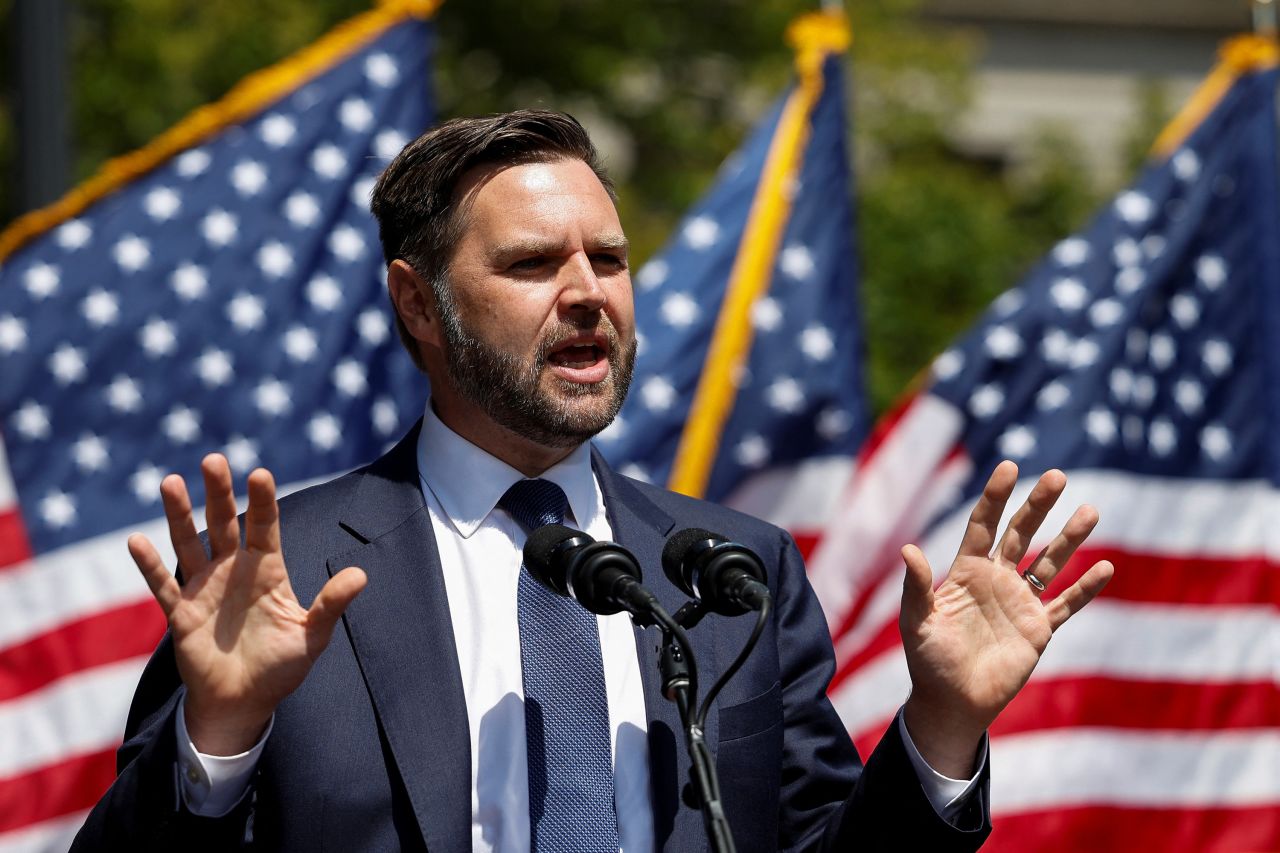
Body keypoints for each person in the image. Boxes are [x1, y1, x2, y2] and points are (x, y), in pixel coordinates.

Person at [71, 111, 1113, 852]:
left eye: (608, 260)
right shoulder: (288, 572)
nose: (586, 294)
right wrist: (219, 739)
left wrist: (939, 724)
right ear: (418, 305)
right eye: (531, 264)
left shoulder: (735, 570)